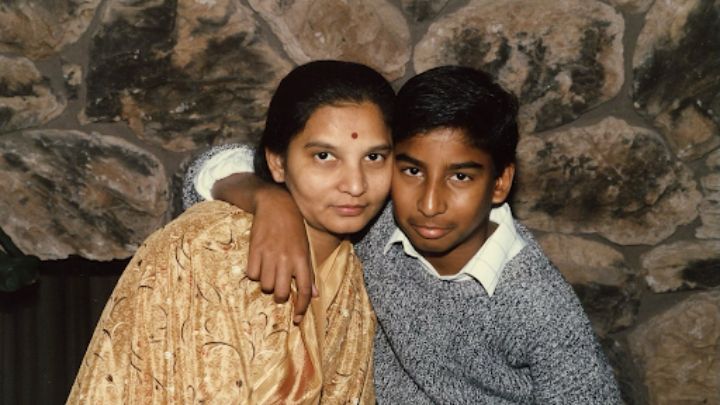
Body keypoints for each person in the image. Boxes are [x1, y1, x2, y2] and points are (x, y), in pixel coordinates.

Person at [185, 65, 622, 403]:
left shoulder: (535, 302)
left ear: (501, 183)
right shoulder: (373, 220)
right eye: (411, 170)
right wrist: (269, 199)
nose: (429, 204)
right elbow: (209, 169)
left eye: (461, 178)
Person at [68, 60, 396, 404]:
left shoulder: (359, 265)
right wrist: (266, 195)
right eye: (325, 156)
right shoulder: (210, 250)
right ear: (278, 162)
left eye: (374, 157)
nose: (356, 185)